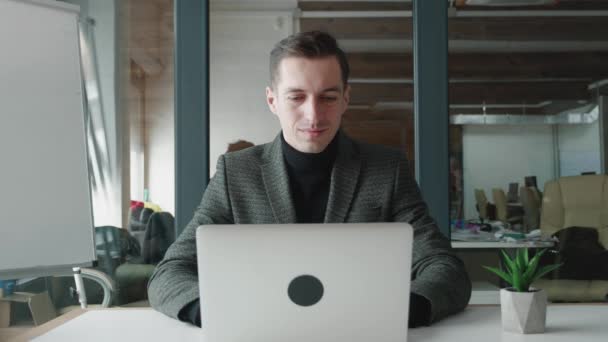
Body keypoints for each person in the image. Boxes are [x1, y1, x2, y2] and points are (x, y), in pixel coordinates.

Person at [148, 30, 471, 328]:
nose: (313, 115)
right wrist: (219, 313)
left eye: (328, 97)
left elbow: (445, 268)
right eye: (296, 97)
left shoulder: (387, 170)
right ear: (272, 100)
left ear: (346, 98)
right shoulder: (236, 173)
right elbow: (169, 273)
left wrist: (397, 312)